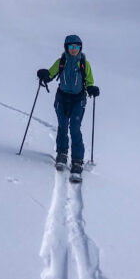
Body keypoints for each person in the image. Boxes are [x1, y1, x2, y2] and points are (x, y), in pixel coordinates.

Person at [36, 34, 100, 177]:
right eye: (71, 47)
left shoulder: (84, 63)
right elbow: (51, 74)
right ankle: (62, 153)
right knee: (63, 126)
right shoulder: (61, 61)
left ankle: (77, 160)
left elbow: (89, 80)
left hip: (78, 100)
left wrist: (91, 88)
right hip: (62, 98)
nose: (74, 49)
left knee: (75, 128)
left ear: (80, 48)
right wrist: (45, 75)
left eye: (77, 47)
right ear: (66, 47)